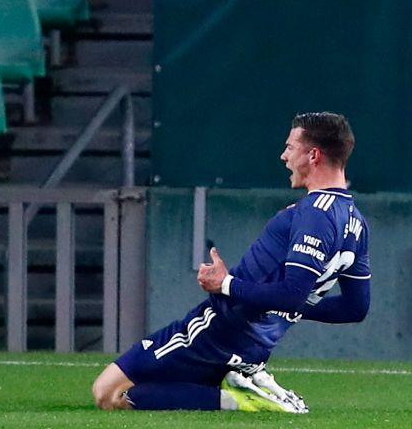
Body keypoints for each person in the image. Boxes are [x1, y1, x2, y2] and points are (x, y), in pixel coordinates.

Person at [92, 112, 371, 413]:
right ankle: (245, 387)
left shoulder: (316, 212)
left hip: (219, 329)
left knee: (108, 393)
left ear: (313, 154)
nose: (283, 156)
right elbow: (354, 308)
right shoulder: (355, 221)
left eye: (290, 147)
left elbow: (292, 294)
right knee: (143, 393)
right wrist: (285, 306)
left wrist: (225, 284)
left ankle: (242, 399)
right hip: (256, 346)